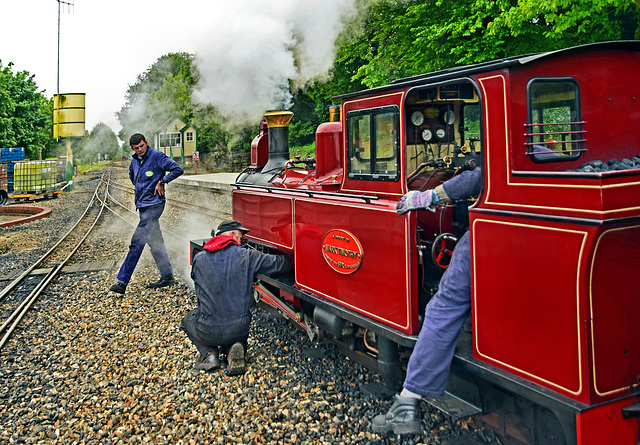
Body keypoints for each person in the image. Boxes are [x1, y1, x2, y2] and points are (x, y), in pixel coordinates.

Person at [372, 167, 482, 435]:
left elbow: (478, 177)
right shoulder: (557, 157)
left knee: (443, 308)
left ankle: (407, 404)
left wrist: (429, 196)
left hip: (491, 233)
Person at [181, 220, 293, 375]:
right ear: (233, 235)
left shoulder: (199, 259)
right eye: (240, 238)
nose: (240, 242)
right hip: (238, 328)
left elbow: (197, 281)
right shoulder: (247, 256)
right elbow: (279, 264)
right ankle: (233, 349)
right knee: (235, 328)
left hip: (207, 329)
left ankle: (209, 354)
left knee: (187, 320)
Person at [109, 134, 184, 294]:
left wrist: (162, 181)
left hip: (155, 205)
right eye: (136, 148)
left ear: (146, 143)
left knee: (137, 242)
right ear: (132, 149)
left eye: (142, 146)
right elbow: (132, 176)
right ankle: (167, 276)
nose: (140, 149)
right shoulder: (134, 161)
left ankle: (122, 281)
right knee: (155, 241)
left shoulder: (157, 157)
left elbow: (177, 169)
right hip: (143, 206)